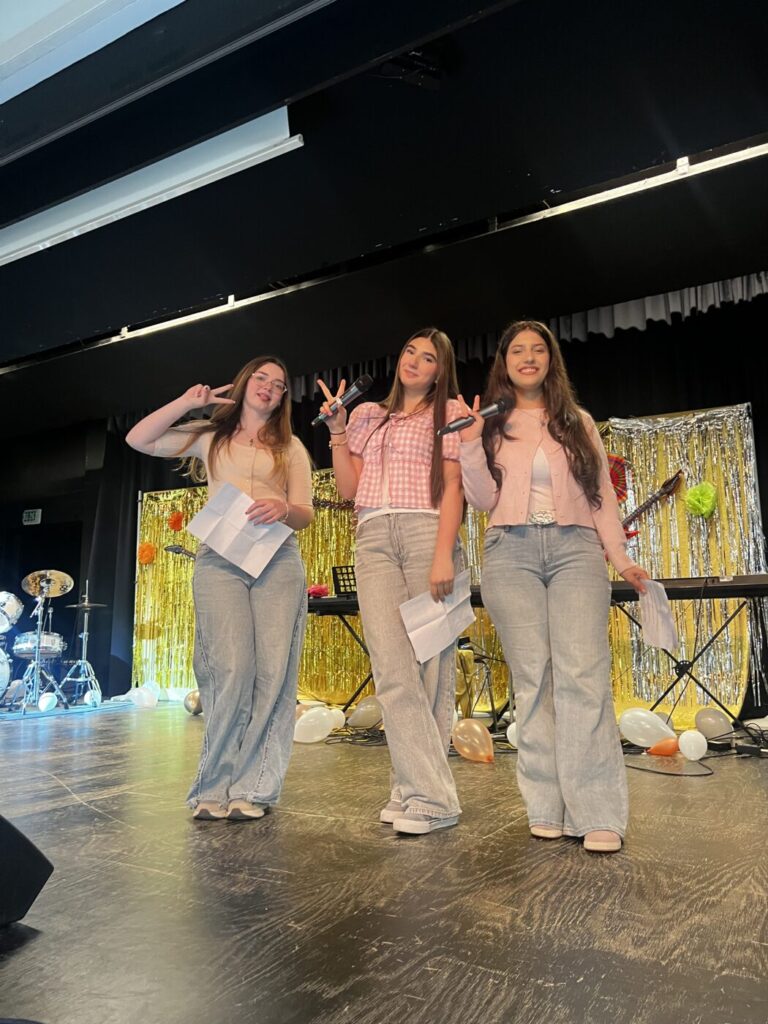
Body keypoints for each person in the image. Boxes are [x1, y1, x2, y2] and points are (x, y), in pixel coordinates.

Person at [456, 320, 649, 853]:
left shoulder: (576, 421)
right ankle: (546, 805)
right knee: (533, 681)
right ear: (504, 363)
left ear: (550, 360)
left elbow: (600, 495)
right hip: (509, 551)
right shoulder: (490, 424)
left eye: (538, 349)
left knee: (582, 676)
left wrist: (621, 559)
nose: (528, 357)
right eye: (517, 349)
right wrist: (470, 445)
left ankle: (597, 812)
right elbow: (481, 499)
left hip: (575, 549)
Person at [126, 357, 313, 820]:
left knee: (273, 674)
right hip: (220, 560)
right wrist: (187, 403)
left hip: (276, 559)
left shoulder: (291, 447)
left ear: (283, 398)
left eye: (279, 385)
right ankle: (213, 786)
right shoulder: (211, 435)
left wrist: (282, 508)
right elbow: (138, 439)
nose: (268, 388)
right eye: (261, 379)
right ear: (245, 383)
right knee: (229, 668)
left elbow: (305, 512)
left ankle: (254, 788)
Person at [317, 329, 464, 835]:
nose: (415, 362)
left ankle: (421, 794)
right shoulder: (366, 415)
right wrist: (337, 430)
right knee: (392, 669)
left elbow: (454, 486)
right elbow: (349, 488)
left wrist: (444, 553)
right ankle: (422, 790)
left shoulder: (449, 413)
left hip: (427, 530)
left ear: (440, 371)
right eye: (410, 352)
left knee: (431, 670)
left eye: (428, 358)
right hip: (373, 536)